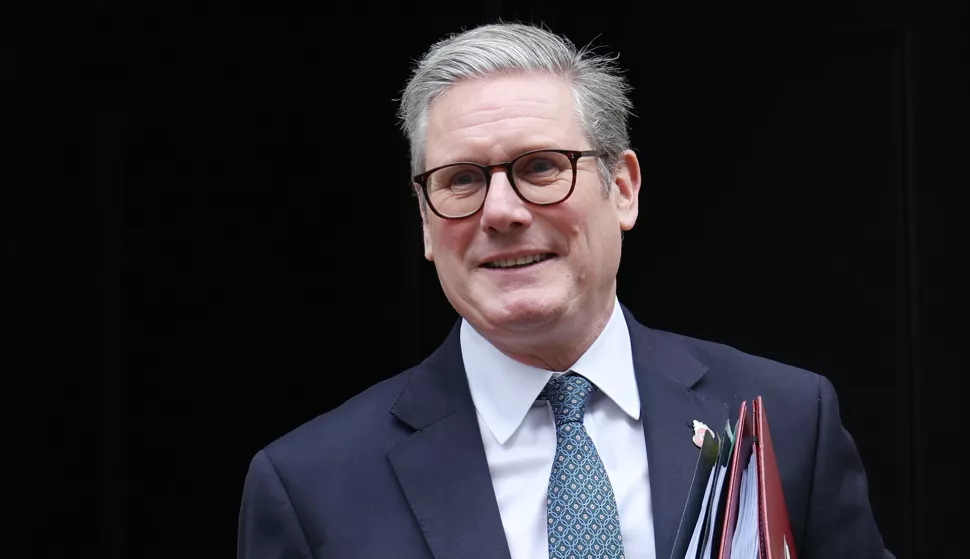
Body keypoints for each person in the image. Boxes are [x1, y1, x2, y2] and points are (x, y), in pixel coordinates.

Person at [237, 22, 892, 559]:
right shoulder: (311, 485)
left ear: (624, 188)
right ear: (426, 223)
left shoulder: (783, 415)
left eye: (541, 167)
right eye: (462, 179)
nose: (501, 211)